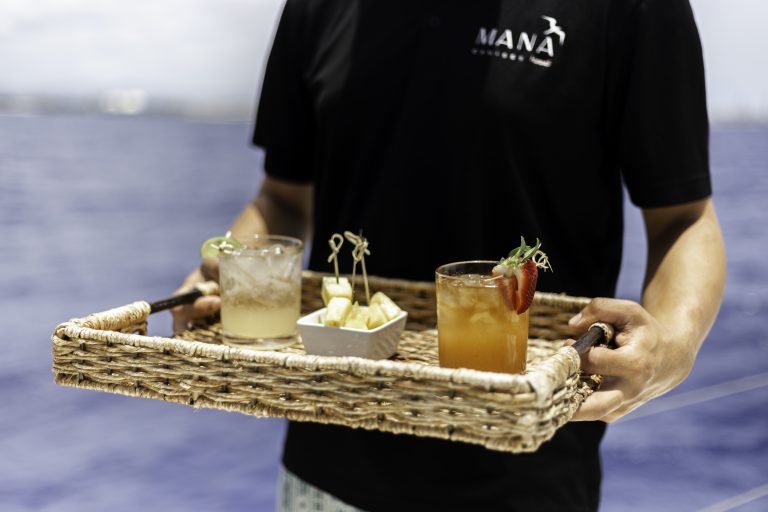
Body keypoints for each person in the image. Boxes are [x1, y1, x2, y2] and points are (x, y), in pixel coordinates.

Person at [173, 0, 726, 510]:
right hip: (323, 470)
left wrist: (674, 345)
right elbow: (282, 199)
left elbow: (684, 218)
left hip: (526, 478)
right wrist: (231, 270)